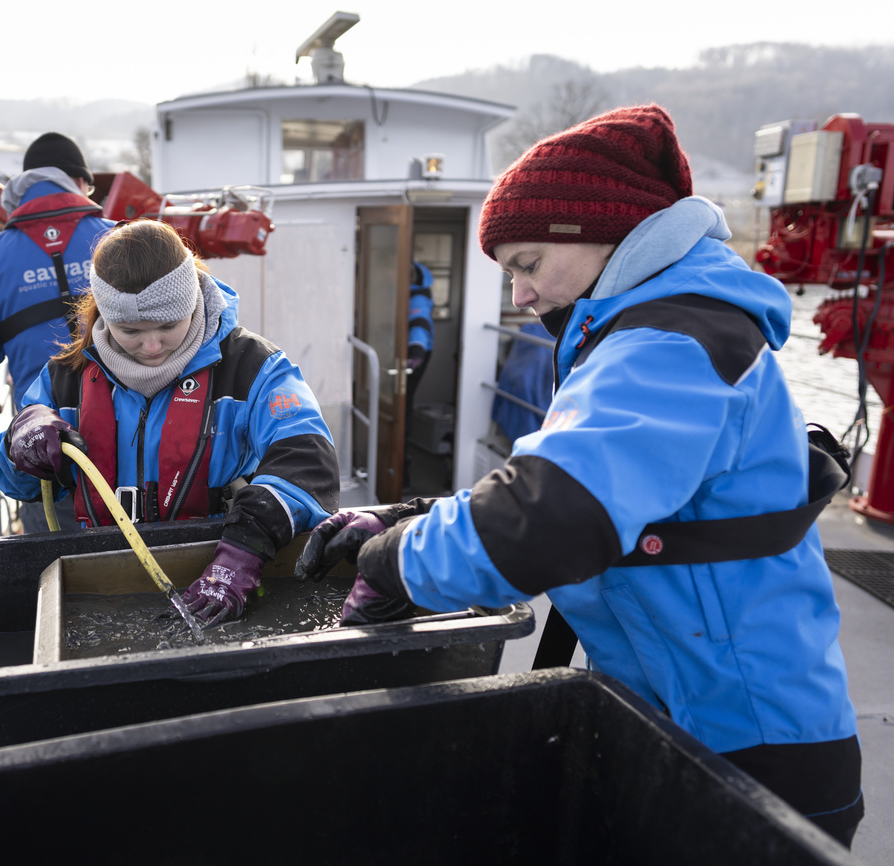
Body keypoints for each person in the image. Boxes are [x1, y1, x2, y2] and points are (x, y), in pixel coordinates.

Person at [296, 105, 863, 846]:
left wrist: (392, 558)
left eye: (528, 265)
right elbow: (554, 477)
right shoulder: (647, 329)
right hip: (686, 712)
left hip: (754, 750)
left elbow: (551, 515)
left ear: (606, 234)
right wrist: (412, 516)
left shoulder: (674, 340)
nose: (522, 296)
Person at [0, 219, 339, 625]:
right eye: (130, 331)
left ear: (193, 300)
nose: (152, 346)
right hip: (102, 582)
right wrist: (20, 440)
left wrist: (244, 551)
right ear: (104, 315)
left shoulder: (255, 369)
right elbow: (16, 484)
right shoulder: (64, 379)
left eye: (169, 325)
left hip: (222, 571)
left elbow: (309, 461)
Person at [0, 132, 114, 530]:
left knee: (55, 570)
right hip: (132, 442)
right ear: (79, 184)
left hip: (43, 449)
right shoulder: (118, 237)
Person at [402, 263, 435, 489]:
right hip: (414, 354)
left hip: (416, 356)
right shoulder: (415, 292)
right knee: (404, 406)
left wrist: (415, 353)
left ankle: (402, 471)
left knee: (403, 406)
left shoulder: (418, 298)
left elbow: (419, 324)